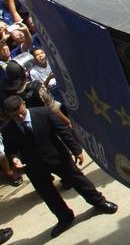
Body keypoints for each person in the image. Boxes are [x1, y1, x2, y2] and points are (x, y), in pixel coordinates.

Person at [1, 96, 118, 238]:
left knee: (79, 181)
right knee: (48, 194)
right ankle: (64, 217)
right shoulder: (7, 129)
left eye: (21, 112)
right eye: (14, 115)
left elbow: (62, 131)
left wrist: (76, 150)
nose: (20, 117)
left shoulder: (43, 113)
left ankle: (99, 202)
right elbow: (11, 149)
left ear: (24, 104)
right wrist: (14, 159)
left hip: (57, 157)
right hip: (34, 166)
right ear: (8, 114)